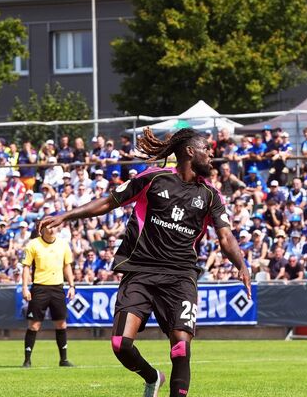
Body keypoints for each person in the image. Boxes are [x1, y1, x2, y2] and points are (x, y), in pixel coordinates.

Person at [39, 127, 251, 397]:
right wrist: (66, 216)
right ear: (189, 151)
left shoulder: (210, 195)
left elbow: (226, 237)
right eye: (206, 149)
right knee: (120, 344)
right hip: (140, 271)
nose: (212, 154)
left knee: (181, 347)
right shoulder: (153, 178)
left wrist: (241, 265)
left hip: (181, 276)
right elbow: (108, 202)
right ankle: (153, 377)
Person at [20, 220, 75, 368]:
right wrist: (24, 287)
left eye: (54, 226)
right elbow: (26, 267)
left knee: (61, 323)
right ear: (41, 229)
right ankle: (27, 360)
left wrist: (71, 285)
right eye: (48, 227)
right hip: (39, 288)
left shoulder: (63, 244)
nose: (52, 230)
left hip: (58, 288)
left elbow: (67, 266)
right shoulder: (33, 245)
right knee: (34, 325)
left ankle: (63, 360)